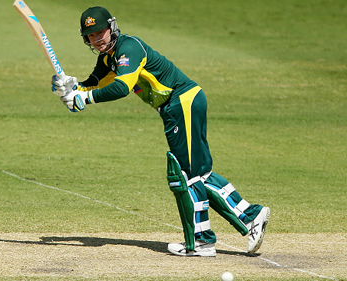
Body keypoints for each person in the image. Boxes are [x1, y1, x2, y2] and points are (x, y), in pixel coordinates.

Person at [51, 6, 270, 256]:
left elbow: (121, 88)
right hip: (176, 107)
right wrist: (69, 87)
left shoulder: (128, 48)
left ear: (111, 28)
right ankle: (250, 216)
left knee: (187, 176)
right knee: (199, 173)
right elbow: (92, 84)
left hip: (181, 101)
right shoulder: (107, 58)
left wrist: (84, 99)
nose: (96, 39)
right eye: (90, 36)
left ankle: (202, 241)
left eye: (100, 32)